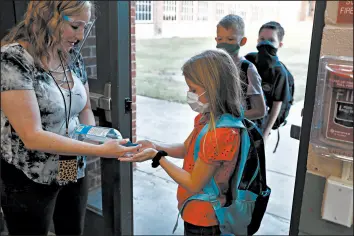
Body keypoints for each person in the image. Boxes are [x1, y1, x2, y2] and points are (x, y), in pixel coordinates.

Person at [0, 1, 139, 235]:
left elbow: (84, 109)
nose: (81, 35)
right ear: (48, 17)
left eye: (85, 26)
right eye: (75, 26)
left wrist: (95, 137)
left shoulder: (71, 56)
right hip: (30, 175)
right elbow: (32, 136)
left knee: (71, 227)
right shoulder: (13, 60)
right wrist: (101, 151)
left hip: (69, 163)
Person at [120, 49, 245, 235]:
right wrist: (156, 146)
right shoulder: (207, 119)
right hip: (194, 210)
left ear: (214, 88)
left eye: (194, 89)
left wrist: (157, 157)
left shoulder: (221, 134)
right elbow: (188, 148)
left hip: (204, 220)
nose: (189, 94)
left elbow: (194, 184)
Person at [245, 21, 293, 144]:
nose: (265, 43)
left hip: (260, 123)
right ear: (257, 40)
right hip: (244, 116)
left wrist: (265, 135)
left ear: (279, 45)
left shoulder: (279, 72)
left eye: (271, 40)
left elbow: (277, 105)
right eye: (262, 39)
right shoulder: (248, 60)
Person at [215, 14, 266, 124]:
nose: (224, 43)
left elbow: (260, 111)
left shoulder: (248, 69)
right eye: (220, 39)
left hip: (239, 129)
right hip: (218, 127)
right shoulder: (214, 66)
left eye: (230, 39)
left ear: (242, 41)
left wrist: (230, 117)